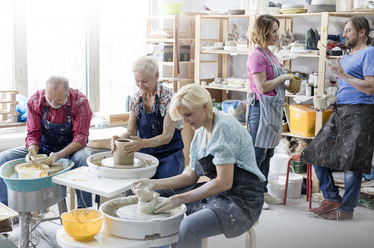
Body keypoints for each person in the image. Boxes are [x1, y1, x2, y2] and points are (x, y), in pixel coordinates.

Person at [134, 84, 265, 248]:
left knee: (190, 227)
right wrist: (153, 183)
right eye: (183, 116)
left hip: (242, 197)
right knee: (157, 194)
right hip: (219, 190)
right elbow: (191, 175)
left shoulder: (224, 128)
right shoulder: (201, 132)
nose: (186, 121)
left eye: (188, 114)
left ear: (205, 106)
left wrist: (180, 198)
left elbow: (224, 182)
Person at [301, 16, 374, 220]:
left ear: (362, 32)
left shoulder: (370, 53)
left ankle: (346, 210)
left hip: (362, 112)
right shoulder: (348, 55)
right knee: (315, 153)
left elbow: (369, 88)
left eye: (349, 30)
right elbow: (348, 82)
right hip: (341, 110)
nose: (344, 34)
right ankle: (332, 198)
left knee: (353, 163)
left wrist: (342, 76)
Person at [0, 76, 93, 210]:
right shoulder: (36, 100)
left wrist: (58, 155)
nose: (53, 104)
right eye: (49, 99)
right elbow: (33, 133)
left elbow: (80, 138)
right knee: (5, 157)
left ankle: (84, 212)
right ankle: (1, 212)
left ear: (67, 93)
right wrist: (32, 151)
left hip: (71, 150)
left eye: (58, 101)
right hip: (43, 148)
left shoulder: (80, 102)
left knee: (83, 159)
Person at [247, 15, 297, 210]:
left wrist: (290, 84)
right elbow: (261, 86)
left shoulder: (270, 54)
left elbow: (273, 84)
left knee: (268, 152)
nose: (278, 34)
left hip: (272, 108)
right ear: (263, 31)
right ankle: (251, 195)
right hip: (260, 109)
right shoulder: (256, 55)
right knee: (257, 153)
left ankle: (262, 191)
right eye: (274, 31)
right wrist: (284, 77)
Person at [111, 56, 184, 179]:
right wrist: (118, 139)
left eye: (144, 81)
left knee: (161, 191)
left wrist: (141, 143)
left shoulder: (169, 97)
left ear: (156, 76)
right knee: (136, 189)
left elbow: (167, 136)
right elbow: (130, 131)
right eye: (137, 81)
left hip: (170, 156)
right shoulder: (136, 99)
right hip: (145, 156)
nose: (140, 85)